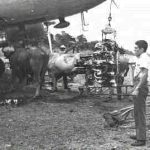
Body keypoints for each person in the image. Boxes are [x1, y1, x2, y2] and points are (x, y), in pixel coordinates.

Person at [121, 40, 149, 146]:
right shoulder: (140, 58)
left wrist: (137, 88)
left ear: (142, 49)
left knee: (140, 113)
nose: (134, 50)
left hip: (141, 86)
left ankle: (141, 139)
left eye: (136, 48)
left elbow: (145, 74)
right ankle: (139, 134)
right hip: (138, 84)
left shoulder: (144, 58)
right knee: (137, 112)